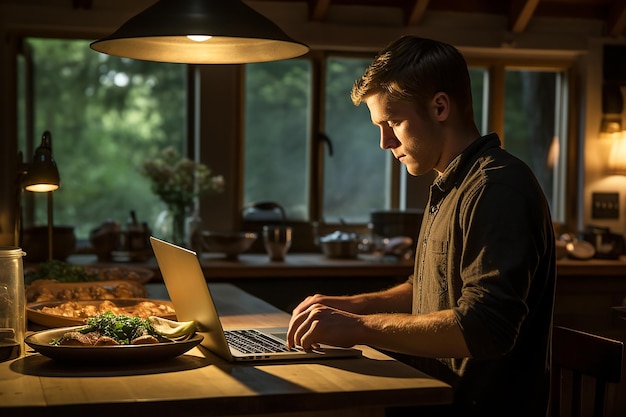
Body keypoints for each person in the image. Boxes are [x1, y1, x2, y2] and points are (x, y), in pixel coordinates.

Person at [287, 35, 556, 417]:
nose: (384, 142)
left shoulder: (497, 187)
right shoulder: (450, 182)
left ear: (440, 106)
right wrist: (346, 307)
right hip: (429, 398)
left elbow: (485, 327)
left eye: (393, 121)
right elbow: (428, 290)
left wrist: (359, 327)